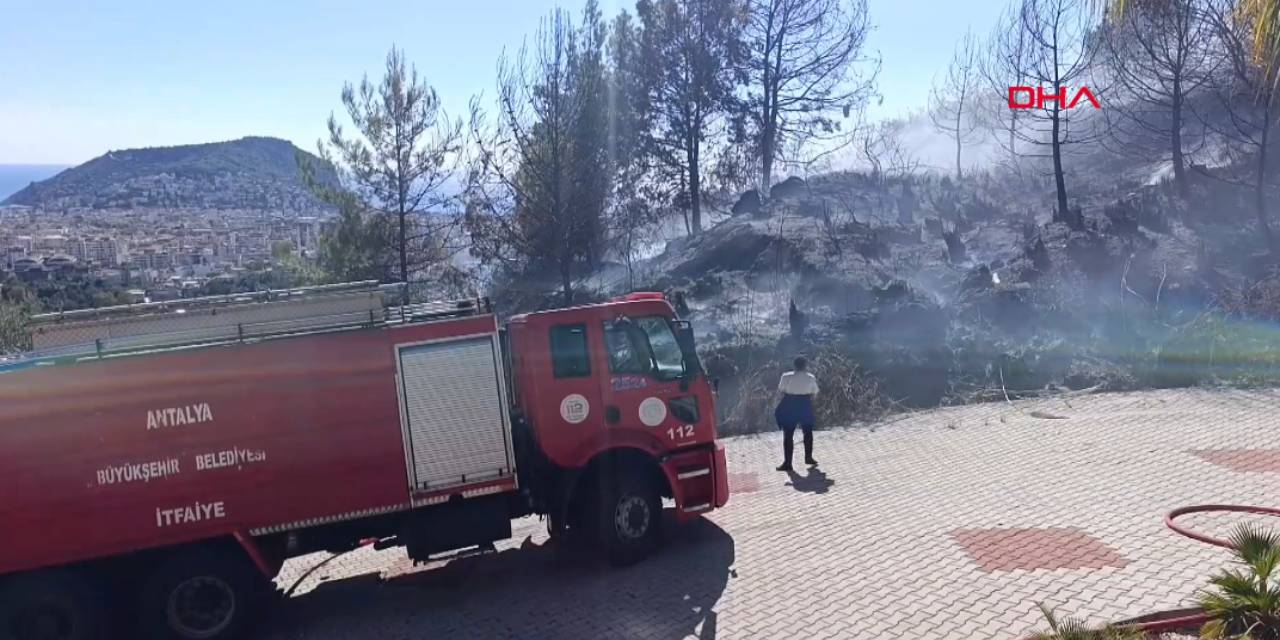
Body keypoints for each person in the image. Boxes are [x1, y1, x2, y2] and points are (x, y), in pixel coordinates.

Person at [774, 356, 819, 471]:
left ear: (794, 365)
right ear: (805, 366)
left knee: (788, 435)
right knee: (808, 432)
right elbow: (815, 392)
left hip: (790, 404)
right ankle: (808, 458)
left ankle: (788, 463)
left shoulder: (786, 376)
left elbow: (781, 389)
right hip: (805, 404)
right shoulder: (810, 377)